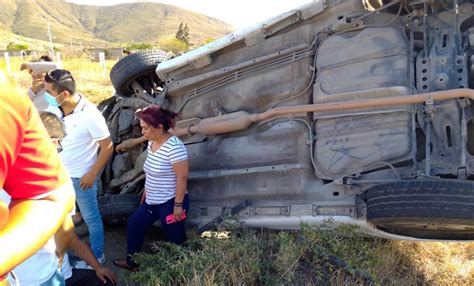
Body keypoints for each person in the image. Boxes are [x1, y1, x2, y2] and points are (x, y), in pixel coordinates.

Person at [0, 70, 75, 284]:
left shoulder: (6, 98)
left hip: (40, 275)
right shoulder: (44, 110)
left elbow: (56, 208)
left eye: (50, 90)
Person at [39, 111, 117, 286]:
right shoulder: (57, 185)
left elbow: (69, 235)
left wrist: (97, 267)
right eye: (58, 146)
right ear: (50, 142)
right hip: (43, 278)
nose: (58, 151)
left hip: (60, 270)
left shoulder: (59, 181)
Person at [44, 69, 114, 264]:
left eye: (48, 92)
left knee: (92, 219)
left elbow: (107, 146)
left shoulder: (90, 115)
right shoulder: (54, 109)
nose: (46, 96)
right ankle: (62, 257)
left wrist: (92, 173)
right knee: (61, 218)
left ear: (64, 94)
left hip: (81, 179)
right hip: (57, 176)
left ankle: (97, 257)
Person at [113, 105, 189, 272]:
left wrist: (178, 206)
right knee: (134, 224)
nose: (143, 132)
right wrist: (147, 189)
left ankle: (184, 270)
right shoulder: (152, 141)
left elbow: (182, 178)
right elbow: (151, 169)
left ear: (160, 127)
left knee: (175, 238)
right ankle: (132, 263)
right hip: (153, 199)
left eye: (146, 128)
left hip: (171, 202)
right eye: (142, 128)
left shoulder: (175, 148)